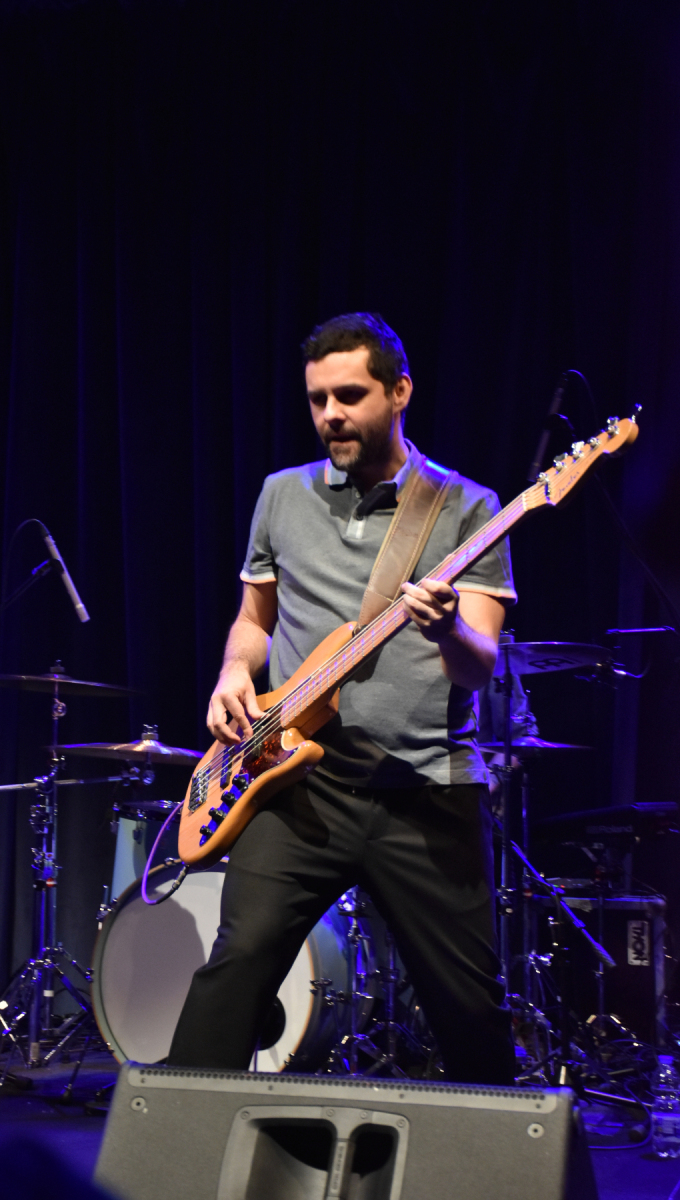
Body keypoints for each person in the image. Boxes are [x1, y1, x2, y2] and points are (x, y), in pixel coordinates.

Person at [167, 313, 518, 1084]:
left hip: (424, 792)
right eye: (318, 399)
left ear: (400, 392)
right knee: (235, 968)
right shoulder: (280, 495)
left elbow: (478, 666)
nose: (330, 415)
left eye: (350, 396)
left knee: (471, 1013)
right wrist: (232, 673)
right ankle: (174, 1140)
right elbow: (253, 621)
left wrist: (449, 627)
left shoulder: (468, 506)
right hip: (297, 784)